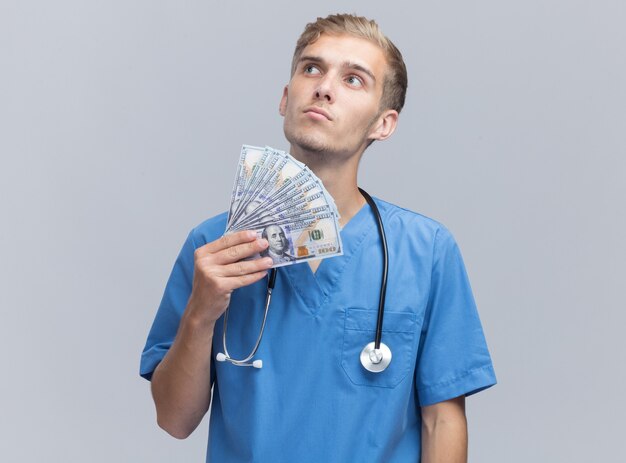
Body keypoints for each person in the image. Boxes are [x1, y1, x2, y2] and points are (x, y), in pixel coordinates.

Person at [140, 13, 496, 462]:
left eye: (353, 79)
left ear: (383, 124)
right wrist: (200, 313)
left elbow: (441, 419)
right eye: (312, 68)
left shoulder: (426, 252)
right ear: (286, 98)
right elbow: (174, 421)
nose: (324, 87)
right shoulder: (213, 245)